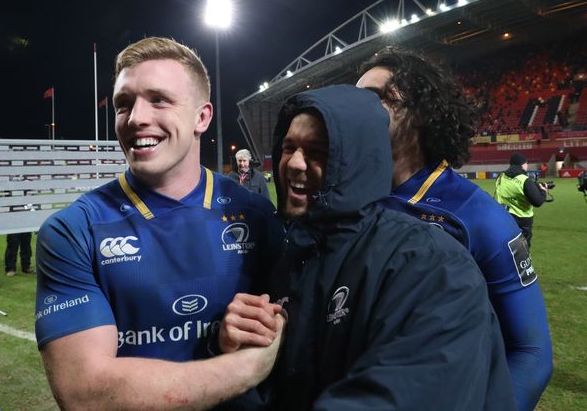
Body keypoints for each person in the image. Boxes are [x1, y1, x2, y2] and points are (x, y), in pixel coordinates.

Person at [221, 85, 516, 410]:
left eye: (317, 151)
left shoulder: (432, 265)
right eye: (289, 147)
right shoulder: (289, 256)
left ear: (356, 162)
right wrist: (227, 351)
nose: (295, 163)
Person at [33, 37, 284, 410]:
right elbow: (84, 393)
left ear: (202, 117)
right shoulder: (73, 231)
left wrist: (242, 337)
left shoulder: (256, 215)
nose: (136, 118)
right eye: (124, 104)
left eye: (159, 99)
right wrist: (247, 367)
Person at [355, 47, 552, 411]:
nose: (357, 109)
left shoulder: (478, 216)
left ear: (422, 113)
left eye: (376, 98)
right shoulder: (345, 199)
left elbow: (531, 351)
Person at [495, 153, 549, 247]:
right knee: (523, 248)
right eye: (526, 163)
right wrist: (544, 192)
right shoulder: (525, 180)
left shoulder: (501, 176)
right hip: (522, 220)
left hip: (503, 216)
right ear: (522, 164)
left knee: (505, 245)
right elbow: (538, 202)